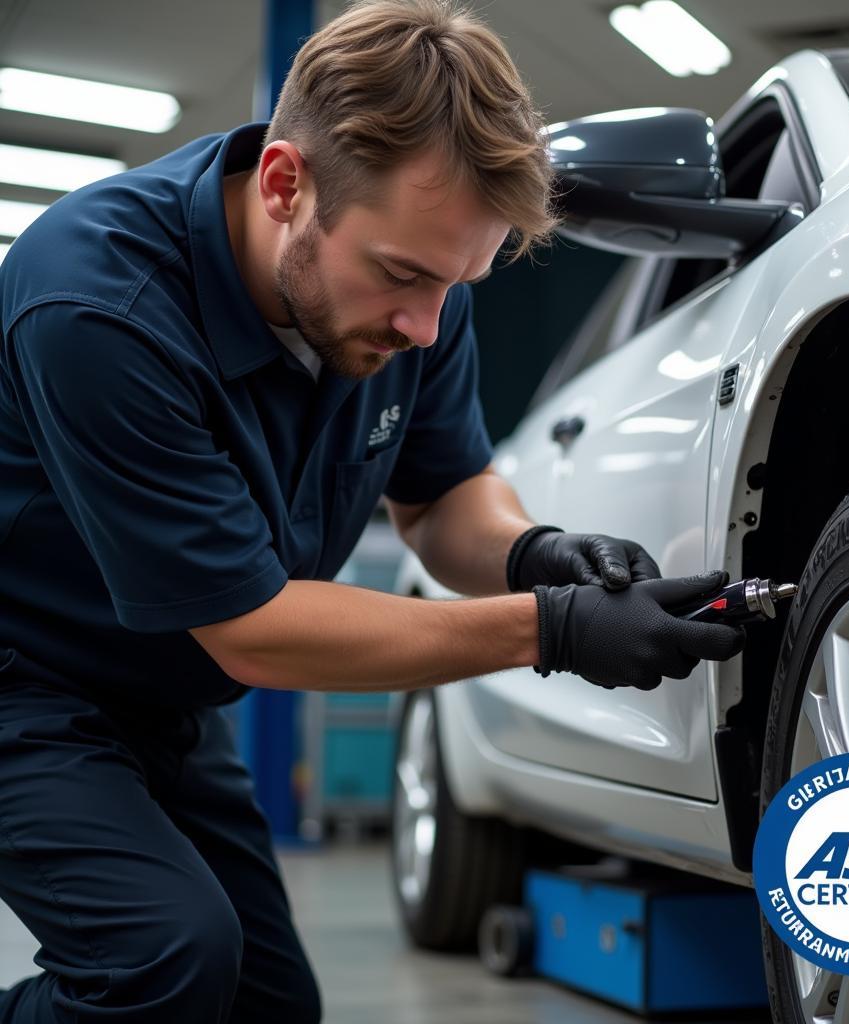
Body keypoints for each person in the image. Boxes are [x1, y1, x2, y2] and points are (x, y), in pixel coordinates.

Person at [0, 1, 745, 1020]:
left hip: (163, 694)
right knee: (162, 964)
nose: (426, 324)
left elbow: (439, 499)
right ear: (283, 186)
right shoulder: (96, 304)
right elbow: (255, 629)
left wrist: (536, 554)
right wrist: (552, 629)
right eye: (401, 275)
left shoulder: (419, 291)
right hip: (23, 688)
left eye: (456, 284)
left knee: (269, 1004)